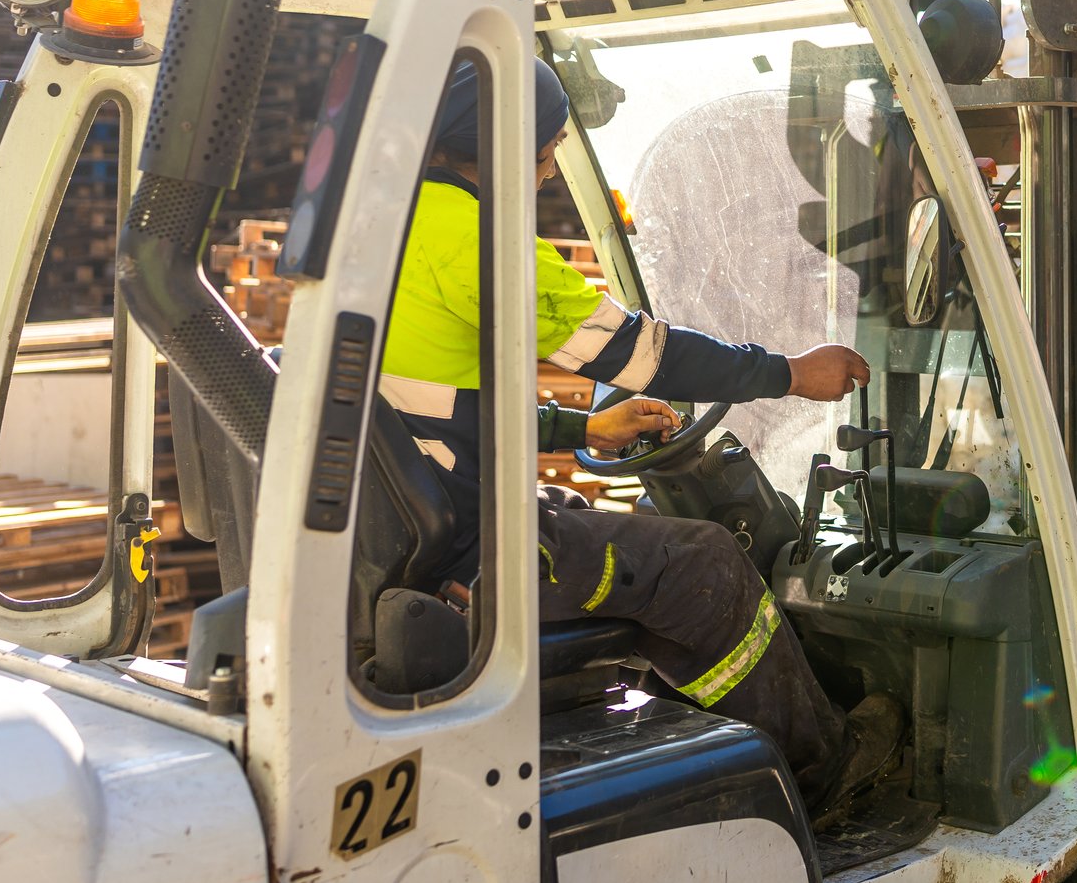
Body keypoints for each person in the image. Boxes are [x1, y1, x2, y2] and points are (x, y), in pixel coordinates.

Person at [378, 57, 902, 824]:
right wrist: (793, 372)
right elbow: (645, 355)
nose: (551, 173)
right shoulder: (474, 241)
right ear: (490, 146)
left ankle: (703, 745)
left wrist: (580, 427)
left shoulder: (383, 225)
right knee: (705, 566)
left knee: (602, 530)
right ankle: (824, 774)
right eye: (545, 150)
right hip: (472, 560)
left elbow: (430, 410)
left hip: (412, 534)